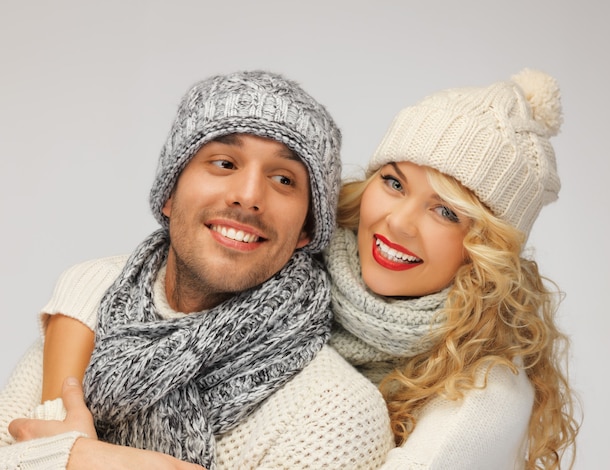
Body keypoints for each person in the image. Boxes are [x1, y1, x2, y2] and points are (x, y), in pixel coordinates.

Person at [0, 70, 394, 469]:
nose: (248, 195)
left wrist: (74, 457)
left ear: (307, 229)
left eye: (283, 179)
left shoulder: (337, 411)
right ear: (169, 193)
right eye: (224, 163)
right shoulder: (90, 318)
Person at [324, 69, 580, 469]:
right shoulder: (294, 278)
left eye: (445, 211)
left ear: (485, 249)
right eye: (394, 183)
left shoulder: (484, 392)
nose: (398, 223)